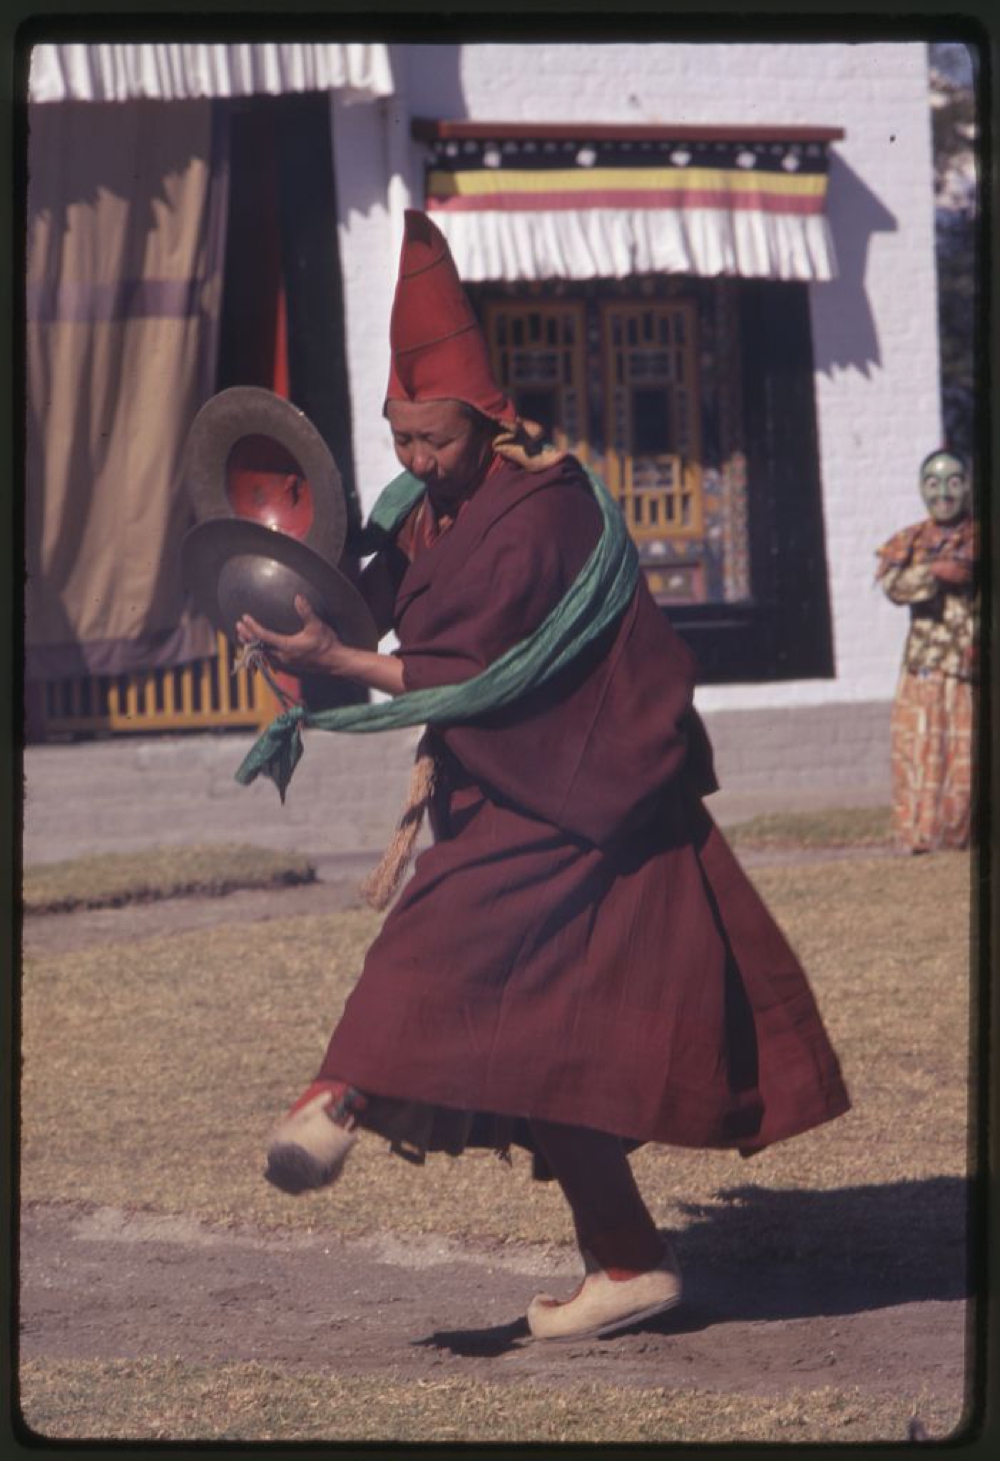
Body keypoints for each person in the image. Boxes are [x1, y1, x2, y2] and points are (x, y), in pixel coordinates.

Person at [236, 210, 850, 1342]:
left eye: (435, 439)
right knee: (548, 1051)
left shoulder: (541, 513)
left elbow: (470, 667)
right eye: (401, 438)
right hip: (519, 787)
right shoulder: (431, 506)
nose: (417, 462)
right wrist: (295, 635)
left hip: (586, 796)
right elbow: (387, 613)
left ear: (486, 415)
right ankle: (629, 1266)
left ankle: (334, 1098)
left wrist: (338, 660)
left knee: (433, 941)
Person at [876, 450, 976, 854]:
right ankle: (920, 836)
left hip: (971, 668)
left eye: (953, 481)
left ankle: (961, 836)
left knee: (966, 759)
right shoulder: (911, 541)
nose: (944, 494)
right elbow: (894, 587)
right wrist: (933, 572)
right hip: (924, 667)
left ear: (967, 485)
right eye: (933, 483)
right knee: (920, 752)